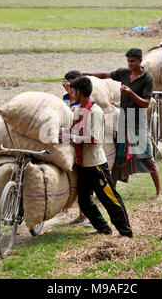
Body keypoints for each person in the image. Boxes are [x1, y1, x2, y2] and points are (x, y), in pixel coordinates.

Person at [83, 48, 162, 201]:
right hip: (124, 119)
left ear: (140, 61)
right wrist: (87, 74)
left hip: (137, 120)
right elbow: (105, 75)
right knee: (119, 158)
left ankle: (159, 192)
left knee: (146, 156)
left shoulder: (148, 79)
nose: (130, 64)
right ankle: (111, 193)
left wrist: (131, 93)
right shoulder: (124, 73)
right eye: (128, 61)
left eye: (132, 61)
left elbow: (146, 103)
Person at [60, 76, 133, 238]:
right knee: (85, 202)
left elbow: (95, 138)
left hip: (96, 164)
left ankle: (125, 232)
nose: (72, 93)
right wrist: (65, 134)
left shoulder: (95, 111)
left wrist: (72, 138)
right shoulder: (79, 109)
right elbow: (75, 130)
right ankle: (103, 228)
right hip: (83, 164)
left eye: (73, 91)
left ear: (79, 92)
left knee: (109, 198)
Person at [61, 70, 93, 226]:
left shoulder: (88, 103)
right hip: (72, 139)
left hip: (83, 145)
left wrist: (72, 96)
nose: (69, 87)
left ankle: (88, 216)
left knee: (87, 185)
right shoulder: (66, 97)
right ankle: (82, 214)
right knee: (80, 184)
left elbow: (74, 114)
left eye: (72, 84)